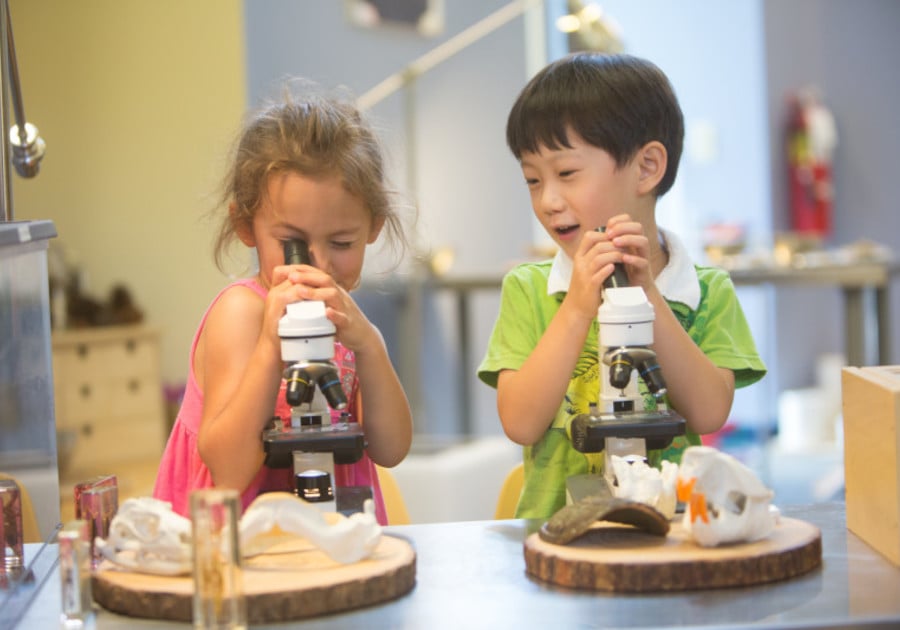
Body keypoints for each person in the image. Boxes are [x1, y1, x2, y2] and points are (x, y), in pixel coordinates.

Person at [477, 53, 766, 520]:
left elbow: (709, 413)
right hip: (560, 536)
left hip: (672, 532)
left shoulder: (707, 291)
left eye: (566, 173)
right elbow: (520, 422)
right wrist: (574, 309)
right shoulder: (530, 290)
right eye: (533, 179)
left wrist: (648, 294)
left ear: (647, 167)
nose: (548, 201)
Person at [153, 83, 413, 525]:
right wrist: (271, 348)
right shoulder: (242, 314)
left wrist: (370, 346)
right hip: (240, 547)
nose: (320, 265)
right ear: (245, 225)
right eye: (293, 243)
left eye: (343, 242)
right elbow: (229, 471)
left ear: (373, 227)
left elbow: (391, 449)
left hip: (327, 534)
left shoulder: (349, 323)